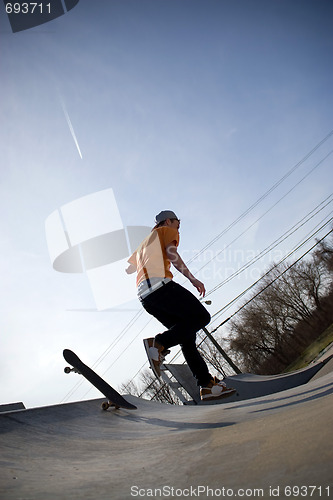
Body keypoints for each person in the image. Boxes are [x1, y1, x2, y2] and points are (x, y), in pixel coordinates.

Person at [126, 210, 235, 401]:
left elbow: (129, 269)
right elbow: (171, 253)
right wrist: (192, 278)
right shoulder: (166, 231)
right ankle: (159, 343)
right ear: (168, 221)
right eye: (177, 223)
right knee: (202, 317)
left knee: (186, 336)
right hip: (159, 287)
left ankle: (207, 385)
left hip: (145, 297)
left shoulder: (145, 242)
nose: (178, 227)